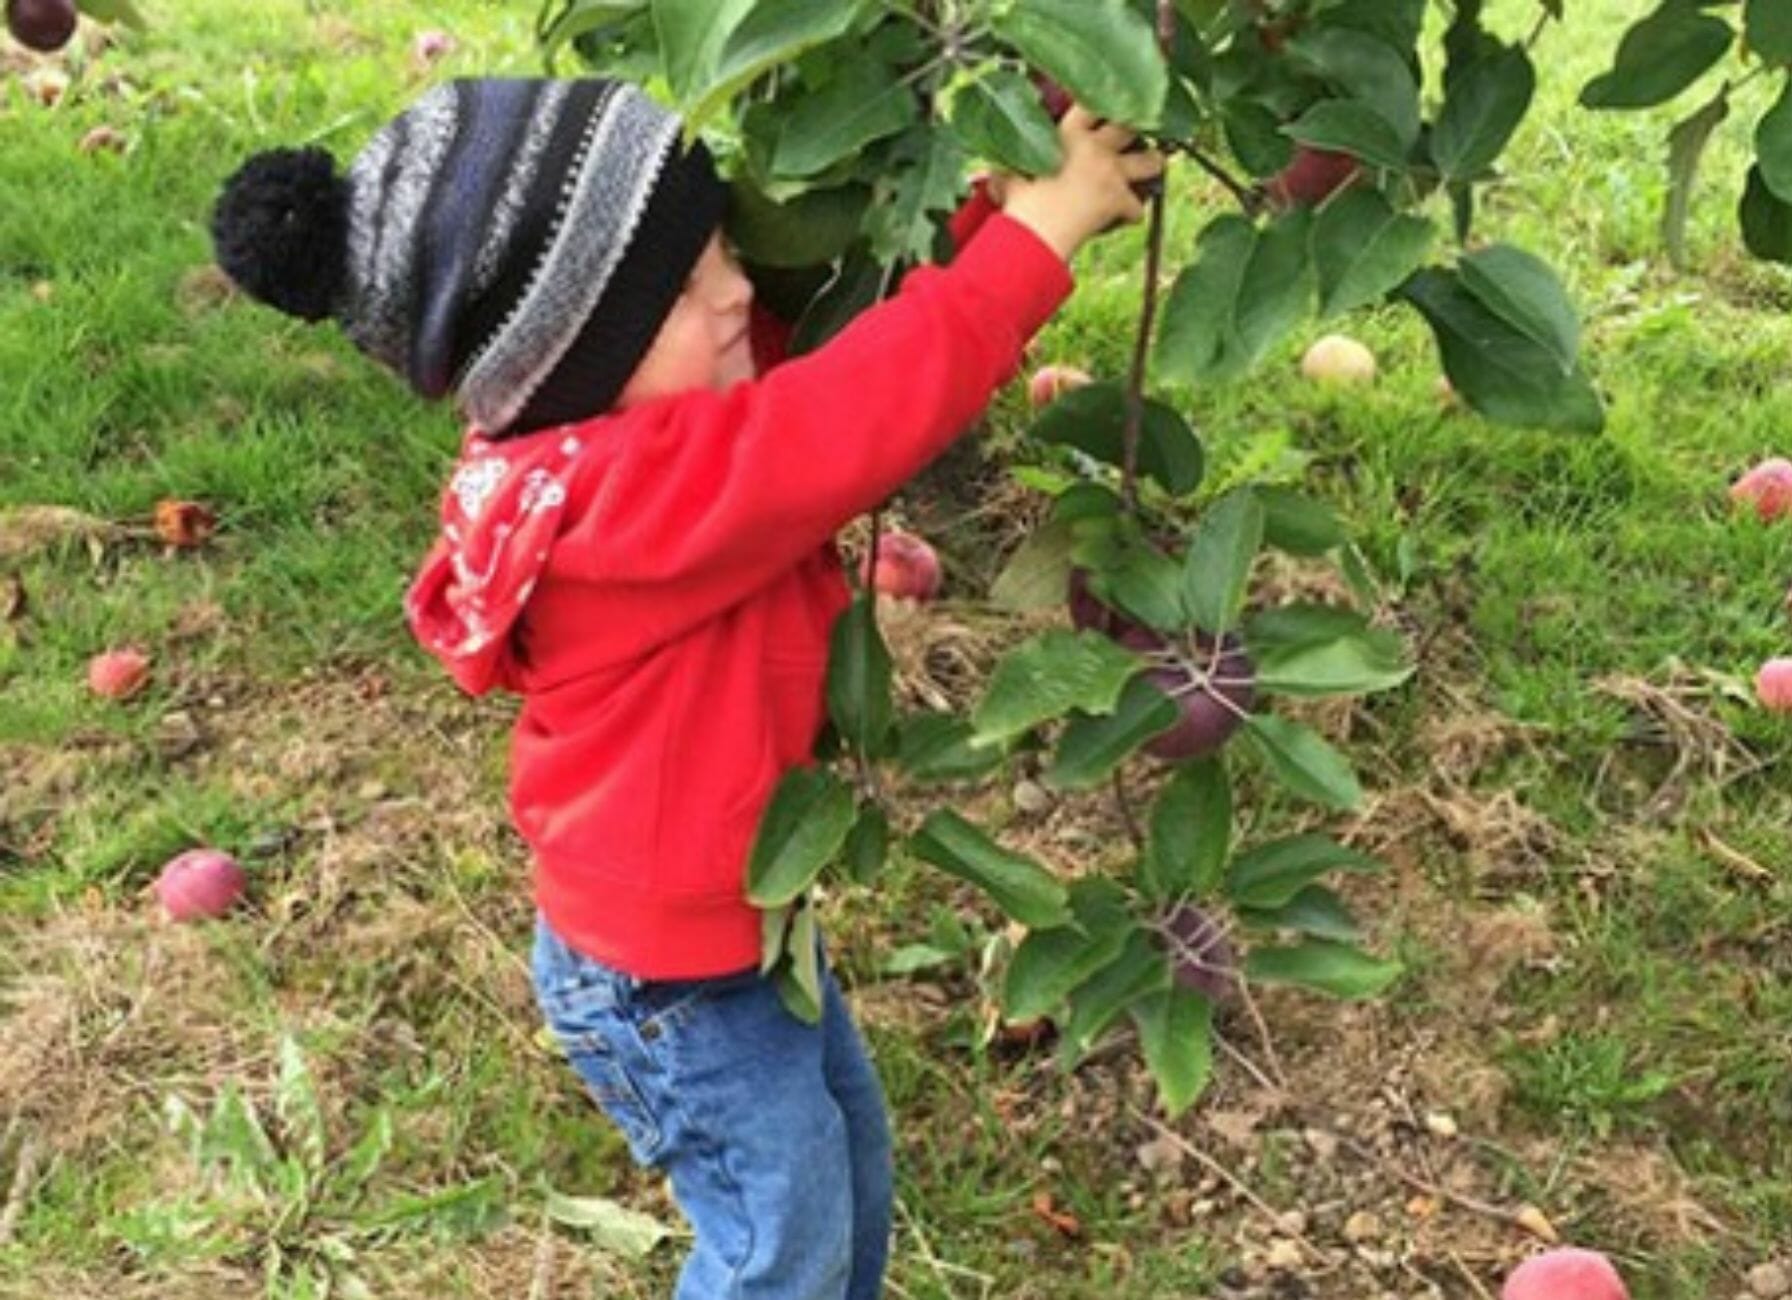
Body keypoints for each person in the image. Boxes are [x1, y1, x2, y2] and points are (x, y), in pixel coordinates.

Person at [210, 75, 1163, 1300]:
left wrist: (993, 194)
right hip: (668, 984)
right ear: (572, 354)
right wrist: (1042, 235)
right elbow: (853, 413)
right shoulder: (625, 505)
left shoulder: (607, 429)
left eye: (719, 243)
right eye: (688, 276)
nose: (735, 289)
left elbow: (838, 347)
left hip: (728, 933)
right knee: (781, 1241)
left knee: (841, 1180)